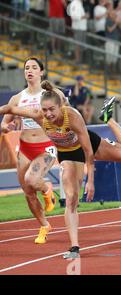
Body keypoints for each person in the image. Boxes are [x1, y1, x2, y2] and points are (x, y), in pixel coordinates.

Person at [1, 83, 121, 259]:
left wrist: (90, 181)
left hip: (89, 146)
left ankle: (108, 118)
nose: (48, 114)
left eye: (52, 109)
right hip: (68, 154)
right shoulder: (39, 115)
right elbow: (10, 108)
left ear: (61, 106)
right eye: (44, 110)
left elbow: (89, 152)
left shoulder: (73, 117)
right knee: (71, 199)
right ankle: (74, 247)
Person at [0, 57, 64, 245]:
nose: (30, 70)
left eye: (34, 67)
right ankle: (44, 225)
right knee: (27, 191)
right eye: (27, 68)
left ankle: (47, 188)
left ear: (41, 72)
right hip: (25, 147)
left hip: (46, 146)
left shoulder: (50, 94)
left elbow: (66, 114)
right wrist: (4, 127)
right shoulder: (17, 98)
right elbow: (6, 120)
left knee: (32, 179)